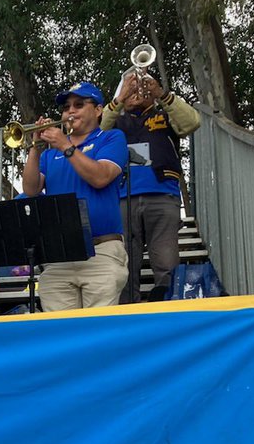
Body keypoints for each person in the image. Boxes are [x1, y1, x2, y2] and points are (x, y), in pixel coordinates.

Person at [21, 81, 129, 311]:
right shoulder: (51, 155)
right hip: (60, 254)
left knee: (99, 332)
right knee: (60, 334)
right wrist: (35, 147)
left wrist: (66, 146)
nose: (70, 111)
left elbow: (100, 177)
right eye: (66, 107)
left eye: (78, 104)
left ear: (98, 110)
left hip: (101, 250)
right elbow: (30, 189)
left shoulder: (111, 138)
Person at [102, 69, 201, 302]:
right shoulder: (116, 122)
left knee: (167, 263)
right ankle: (128, 321)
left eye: (142, 88)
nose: (138, 92)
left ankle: (169, 314)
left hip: (162, 196)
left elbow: (192, 122)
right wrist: (119, 99)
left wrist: (161, 94)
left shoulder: (164, 114)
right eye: (132, 88)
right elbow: (96, 132)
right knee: (124, 267)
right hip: (122, 199)